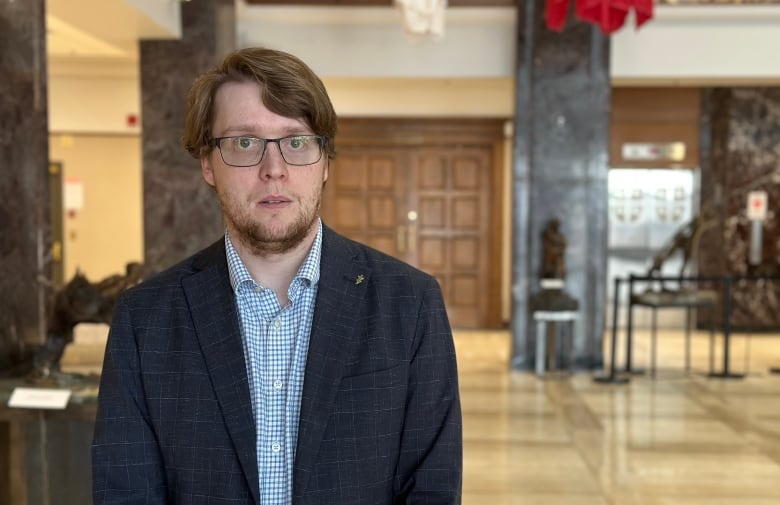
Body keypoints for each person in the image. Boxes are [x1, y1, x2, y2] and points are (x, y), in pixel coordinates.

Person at [91, 47, 462, 505]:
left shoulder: (411, 303)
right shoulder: (143, 320)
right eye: (244, 142)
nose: (274, 169)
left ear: (325, 162)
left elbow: (432, 489)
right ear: (208, 163)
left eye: (296, 141)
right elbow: (126, 492)